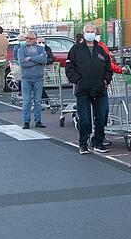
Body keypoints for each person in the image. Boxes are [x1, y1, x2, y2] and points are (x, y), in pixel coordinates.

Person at [64, 24, 113, 155]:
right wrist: (77, 80)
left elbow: (109, 67)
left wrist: (106, 80)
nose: (90, 34)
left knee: (101, 117)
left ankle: (98, 142)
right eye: (88, 31)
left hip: (99, 89)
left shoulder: (101, 50)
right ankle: (83, 144)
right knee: (84, 118)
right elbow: (69, 67)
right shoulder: (76, 49)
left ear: (96, 33)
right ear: (84, 33)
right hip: (83, 89)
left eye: (92, 31)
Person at [17, 31, 47, 129]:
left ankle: (38, 121)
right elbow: (22, 63)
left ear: (35, 39)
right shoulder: (21, 50)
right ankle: (26, 121)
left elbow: (44, 59)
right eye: (27, 38)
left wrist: (30, 58)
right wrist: (37, 61)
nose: (28, 40)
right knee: (26, 101)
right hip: (26, 78)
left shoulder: (41, 49)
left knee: (37, 101)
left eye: (30, 38)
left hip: (38, 78)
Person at [38, 37, 55, 104]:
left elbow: (52, 58)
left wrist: (45, 61)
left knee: (39, 86)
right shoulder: (33, 49)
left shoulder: (47, 49)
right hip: (36, 71)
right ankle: (45, 99)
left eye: (43, 42)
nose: (41, 44)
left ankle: (44, 100)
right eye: (39, 42)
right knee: (38, 86)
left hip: (45, 71)